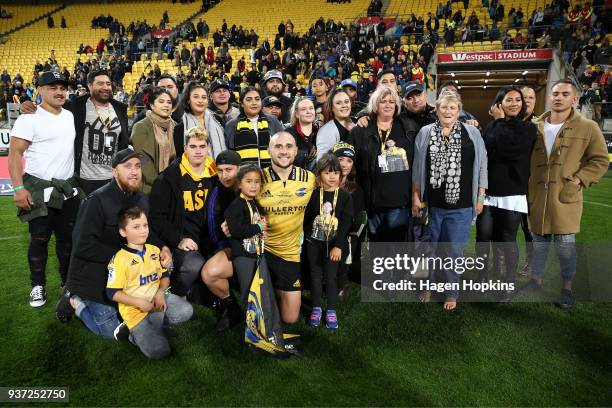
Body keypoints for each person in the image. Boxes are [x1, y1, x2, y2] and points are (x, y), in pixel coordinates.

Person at [57, 148, 172, 339]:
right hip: (93, 276)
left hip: (127, 275)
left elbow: (147, 235)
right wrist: (124, 258)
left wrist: (163, 249)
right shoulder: (96, 201)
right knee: (112, 332)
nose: (135, 171)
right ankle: (74, 300)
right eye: (127, 166)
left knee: (147, 313)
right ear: (114, 172)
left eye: (137, 166)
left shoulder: (142, 199)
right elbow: (83, 246)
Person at [525, 79, 608, 309]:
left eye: (564, 94)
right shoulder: (535, 126)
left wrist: (580, 178)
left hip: (565, 197)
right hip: (538, 197)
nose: (558, 97)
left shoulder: (588, 127)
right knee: (538, 244)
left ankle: (567, 289)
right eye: (555, 93)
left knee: (565, 246)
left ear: (574, 98)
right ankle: (536, 281)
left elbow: (600, 160)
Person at [8, 71, 82, 307]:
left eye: (63, 87)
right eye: (53, 87)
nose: (59, 92)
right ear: (39, 90)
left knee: (67, 241)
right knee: (39, 240)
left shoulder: (70, 115)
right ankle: (37, 286)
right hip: (39, 189)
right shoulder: (29, 118)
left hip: (67, 190)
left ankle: (66, 284)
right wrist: (18, 188)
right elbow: (14, 154)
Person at [412, 91, 487, 310]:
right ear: (436, 110)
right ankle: (426, 286)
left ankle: (451, 292)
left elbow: (483, 166)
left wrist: (480, 197)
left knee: (454, 251)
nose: (448, 111)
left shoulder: (472, 133)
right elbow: (417, 169)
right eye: (444, 107)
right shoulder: (425, 132)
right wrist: (415, 197)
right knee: (427, 250)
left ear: (459, 111)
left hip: (462, 206)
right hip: (432, 206)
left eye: (452, 108)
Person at [18, 70, 130, 194]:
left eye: (108, 84)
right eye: (100, 83)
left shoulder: (120, 109)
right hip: (83, 180)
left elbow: (123, 142)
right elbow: (48, 105)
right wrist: (27, 105)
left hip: (113, 178)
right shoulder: (75, 106)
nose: (105, 87)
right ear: (90, 86)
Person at [105, 206, 193, 359]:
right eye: (136, 227)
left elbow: (165, 275)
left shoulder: (154, 250)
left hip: (157, 302)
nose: (143, 231)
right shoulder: (119, 259)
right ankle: (133, 334)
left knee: (186, 311)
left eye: (145, 225)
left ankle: (157, 324)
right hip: (135, 312)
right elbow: (112, 292)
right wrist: (139, 302)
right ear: (123, 232)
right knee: (160, 352)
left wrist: (160, 292)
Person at [475, 87, 536, 300]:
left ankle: (508, 282)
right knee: (483, 236)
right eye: (509, 99)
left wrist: (500, 122)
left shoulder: (528, 129)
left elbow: (510, 150)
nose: (514, 103)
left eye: (518, 100)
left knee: (507, 239)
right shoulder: (491, 126)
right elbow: (483, 156)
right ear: (499, 103)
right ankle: (482, 277)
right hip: (489, 192)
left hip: (512, 193)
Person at [149, 127, 217, 301]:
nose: (198, 151)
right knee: (193, 265)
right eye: (193, 146)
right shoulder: (168, 178)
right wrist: (178, 239)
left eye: (202, 146)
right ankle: (175, 295)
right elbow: (156, 218)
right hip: (181, 240)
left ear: (209, 147)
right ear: (185, 148)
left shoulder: (216, 175)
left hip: (208, 239)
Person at [256, 132, 316, 324]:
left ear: (296, 150)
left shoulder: (309, 179)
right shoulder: (256, 178)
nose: (284, 151)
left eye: (289, 146)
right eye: (278, 146)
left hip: (289, 253)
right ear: (268, 150)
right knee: (213, 271)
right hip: (261, 251)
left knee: (290, 319)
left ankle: (276, 289)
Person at [347, 86, 418, 242]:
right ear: (375, 105)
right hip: (373, 203)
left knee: (396, 252)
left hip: (400, 201)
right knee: (377, 250)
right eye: (383, 101)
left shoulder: (409, 127)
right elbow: (349, 164)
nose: (388, 105)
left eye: (392, 102)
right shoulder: (361, 130)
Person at [304, 154, 353, 329]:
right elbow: (306, 219)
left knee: (331, 278)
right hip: (313, 244)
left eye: (336, 173)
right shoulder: (313, 195)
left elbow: (346, 223)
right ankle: (316, 308)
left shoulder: (345, 197)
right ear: (319, 175)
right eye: (327, 173)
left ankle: (331, 310)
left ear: (341, 175)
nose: (332, 177)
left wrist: (338, 246)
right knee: (315, 277)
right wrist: (306, 239)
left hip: (334, 246)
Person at [201, 150, 242, 331]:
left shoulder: (253, 184)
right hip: (232, 248)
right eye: (220, 170)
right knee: (209, 273)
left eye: (229, 169)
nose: (224, 175)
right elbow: (212, 228)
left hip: (261, 246)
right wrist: (225, 249)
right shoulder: (216, 193)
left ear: (239, 169)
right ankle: (230, 306)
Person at [225, 164, 267, 309]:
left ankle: (258, 320)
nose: (253, 186)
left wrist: (261, 232)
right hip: (243, 255)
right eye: (249, 181)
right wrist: (259, 227)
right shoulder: (236, 205)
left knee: (257, 288)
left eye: (257, 181)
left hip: (254, 252)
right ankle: (248, 324)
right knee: (248, 289)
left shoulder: (253, 202)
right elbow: (237, 230)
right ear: (239, 183)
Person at [131, 87, 178, 194]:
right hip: (149, 188)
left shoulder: (175, 126)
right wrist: (160, 182)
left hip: (174, 185)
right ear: (152, 105)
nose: (166, 105)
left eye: (169, 102)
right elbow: (142, 158)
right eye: (161, 101)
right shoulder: (141, 126)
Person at [225, 87, 283, 168]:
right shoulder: (231, 125)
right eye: (249, 100)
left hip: (272, 174)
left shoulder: (273, 121)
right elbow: (229, 154)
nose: (254, 103)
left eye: (257, 99)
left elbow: (282, 147)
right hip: (243, 174)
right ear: (241, 103)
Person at [519, 85, 537, 276]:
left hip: (533, 187)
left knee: (530, 228)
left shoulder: (540, 124)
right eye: (524, 97)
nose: (528, 100)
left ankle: (532, 264)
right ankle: (502, 264)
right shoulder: (507, 122)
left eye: (531, 97)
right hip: (513, 184)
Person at [316, 88, 355, 159]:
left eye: (346, 102)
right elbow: (322, 163)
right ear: (331, 108)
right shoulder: (326, 131)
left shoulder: (358, 122)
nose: (344, 105)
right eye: (338, 103)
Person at [285, 96, 318, 170]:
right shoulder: (288, 134)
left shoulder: (320, 132)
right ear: (297, 114)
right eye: (303, 109)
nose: (308, 112)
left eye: (311, 108)